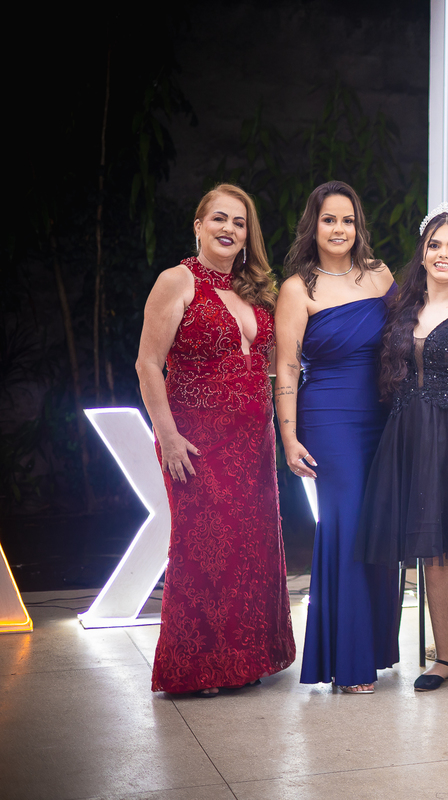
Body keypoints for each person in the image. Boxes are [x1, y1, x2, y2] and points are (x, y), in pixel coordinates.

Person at [135, 184, 296, 697]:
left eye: (239, 222)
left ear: (248, 235)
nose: (229, 229)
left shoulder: (255, 290)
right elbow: (147, 364)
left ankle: (245, 661)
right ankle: (199, 669)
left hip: (253, 444)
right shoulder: (177, 281)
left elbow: (274, 363)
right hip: (195, 441)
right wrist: (168, 436)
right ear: (199, 226)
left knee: (250, 548)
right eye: (220, 219)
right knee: (203, 549)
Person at [357, 204, 448, 705]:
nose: (444, 254)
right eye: (435, 245)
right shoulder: (402, 310)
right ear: (422, 254)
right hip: (410, 439)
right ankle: (444, 659)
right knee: (431, 560)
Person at [274, 181, 400, 695]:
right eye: (329, 219)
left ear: (358, 225)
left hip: (383, 415)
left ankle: (373, 648)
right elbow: (285, 367)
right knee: (346, 526)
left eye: (347, 220)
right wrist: (288, 437)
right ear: (314, 225)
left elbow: (407, 338)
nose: (339, 229)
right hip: (328, 416)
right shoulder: (296, 289)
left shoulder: (380, 275)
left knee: (378, 527)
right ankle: (349, 663)